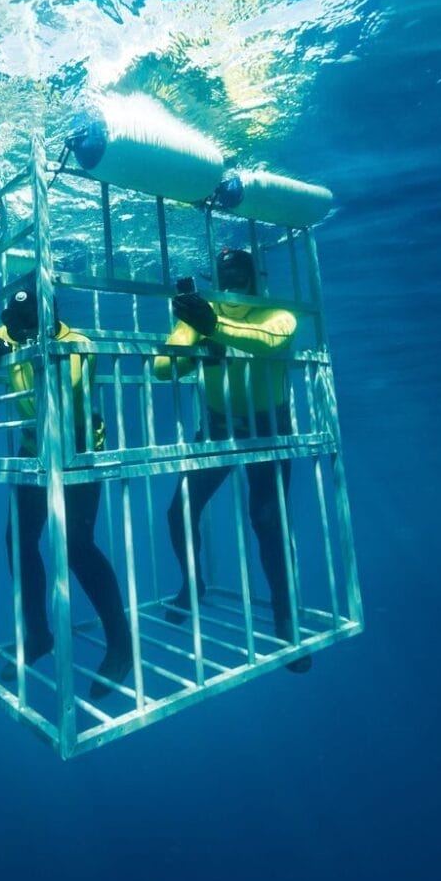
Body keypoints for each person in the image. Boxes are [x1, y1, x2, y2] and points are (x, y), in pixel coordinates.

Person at [0, 287, 134, 699]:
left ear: (49, 317)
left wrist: (14, 350)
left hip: (79, 452)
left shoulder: (78, 344)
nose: (19, 332)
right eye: (14, 322)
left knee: (78, 546)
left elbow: (66, 387)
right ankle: (39, 634)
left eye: (29, 324)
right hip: (35, 450)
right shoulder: (14, 333)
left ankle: (120, 646)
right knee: (18, 540)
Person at [152, 247, 309, 673]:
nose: (233, 281)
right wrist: (199, 338)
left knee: (267, 521)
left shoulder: (277, 311)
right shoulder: (201, 313)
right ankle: (192, 584)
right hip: (219, 426)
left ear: (256, 278)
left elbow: (270, 341)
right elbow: (161, 369)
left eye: (240, 273)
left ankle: (284, 616)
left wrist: (214, 327)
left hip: (269, 428)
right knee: (179, 511)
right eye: (225, 274)